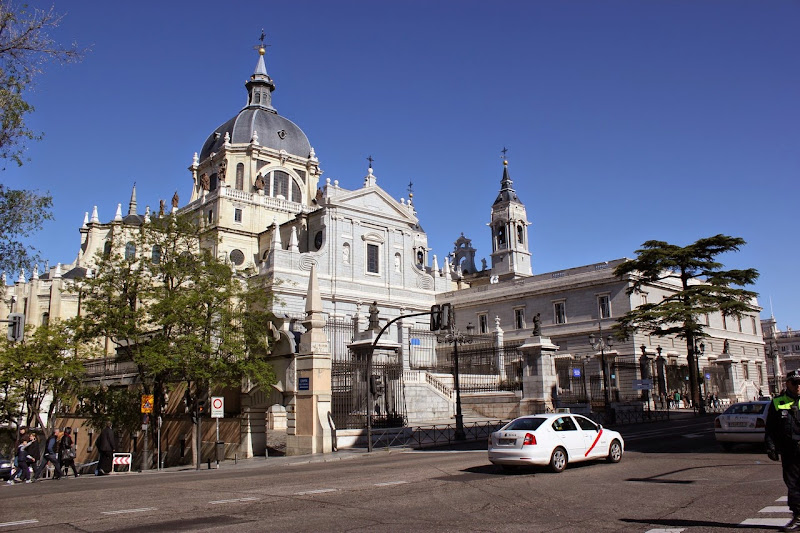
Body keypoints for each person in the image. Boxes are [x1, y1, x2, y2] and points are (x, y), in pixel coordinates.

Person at [766, 370, 800, 532]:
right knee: (793, 485)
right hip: (790, 451)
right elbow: (771, 428)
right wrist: (771, 446)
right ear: (787, 383)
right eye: (795, 383)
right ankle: (798, 516)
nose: (798, 386)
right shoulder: (778, 402)